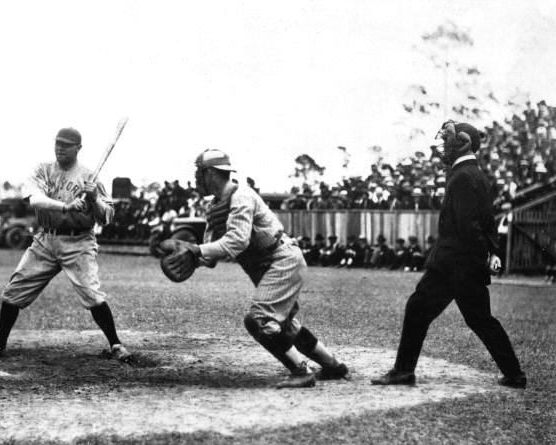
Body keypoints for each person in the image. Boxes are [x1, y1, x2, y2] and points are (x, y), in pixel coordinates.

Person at [172, 149, 347, 388]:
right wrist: (193, 258)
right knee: (284, 325)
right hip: (266, 265)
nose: (195, 178)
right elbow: (212, 255)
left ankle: (301, 371)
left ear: (210, 173)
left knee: (259, 319)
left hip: (281, 259)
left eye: (198, 172)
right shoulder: (215, 206)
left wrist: (197, 250)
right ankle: (333, 366)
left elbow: (237, 241)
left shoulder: (241, 196)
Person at [372, 121, 526, 389]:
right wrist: (490, 253)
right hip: (466, 264)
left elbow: (469, 226)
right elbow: (487, 222)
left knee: (418, 309)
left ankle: (403, 371)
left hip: (454, 263)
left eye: (449, 139)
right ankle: (514, 374)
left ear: (463, 143)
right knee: (480, 319)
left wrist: (478, 258)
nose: (444, 145)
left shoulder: (462, 176)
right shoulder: (475, 174)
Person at [0, 127, 132, 362]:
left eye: (66, 145)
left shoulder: (90, 177)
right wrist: (65, 207)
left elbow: (106, 217)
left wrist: (93, 199)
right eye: (58, 143)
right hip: (46, 239)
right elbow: (35, 199)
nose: (60, 148)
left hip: (79, 241)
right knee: (13, 291)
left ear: (78, 148)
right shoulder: (43, 170)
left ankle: (116, 345)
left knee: (92, 294)